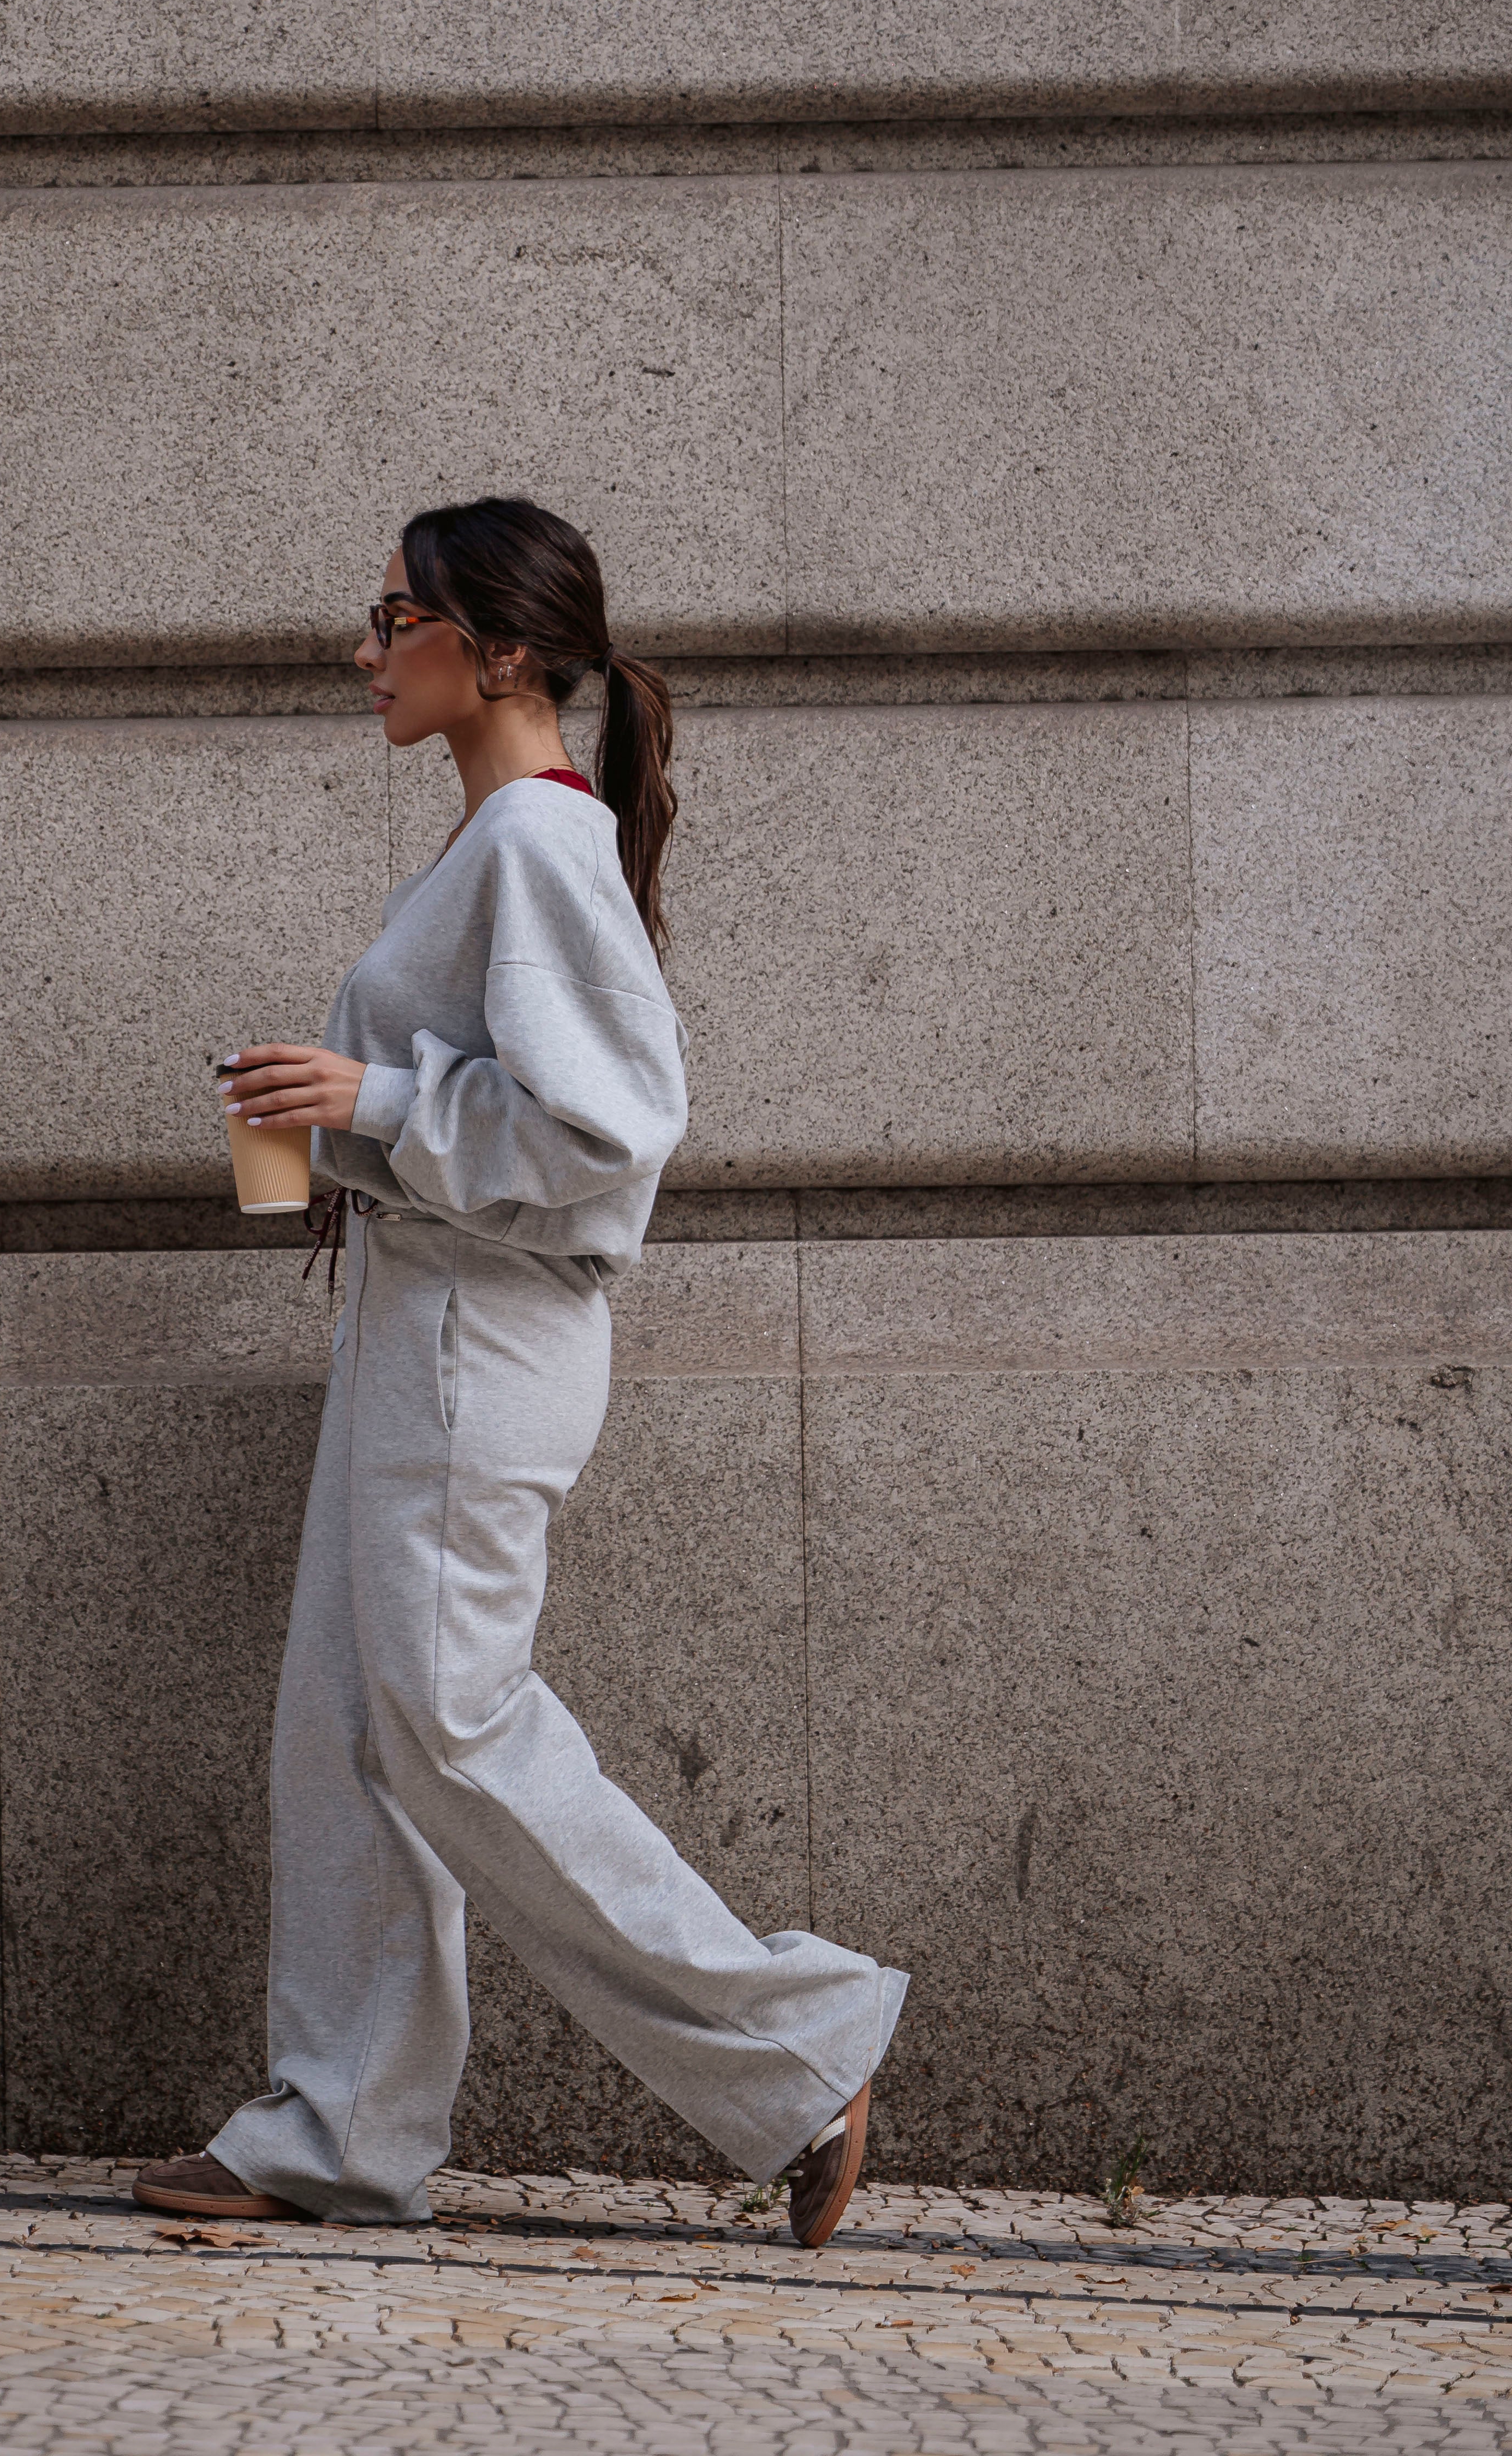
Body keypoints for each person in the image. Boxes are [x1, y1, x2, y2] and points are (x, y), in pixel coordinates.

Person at [133, 497, 906, 2245]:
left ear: (492, 652)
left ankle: (801, 2046)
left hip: (484, 1343)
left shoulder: (537, 849)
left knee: (452, 1726)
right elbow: (498, 1114)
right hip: (428, 1332)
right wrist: (332, 1123)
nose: (363, 651)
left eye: (390, 616)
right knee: (349, 1735)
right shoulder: (502, 845)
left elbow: (610, 1130)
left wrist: (374, 1103)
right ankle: (337, 2123)